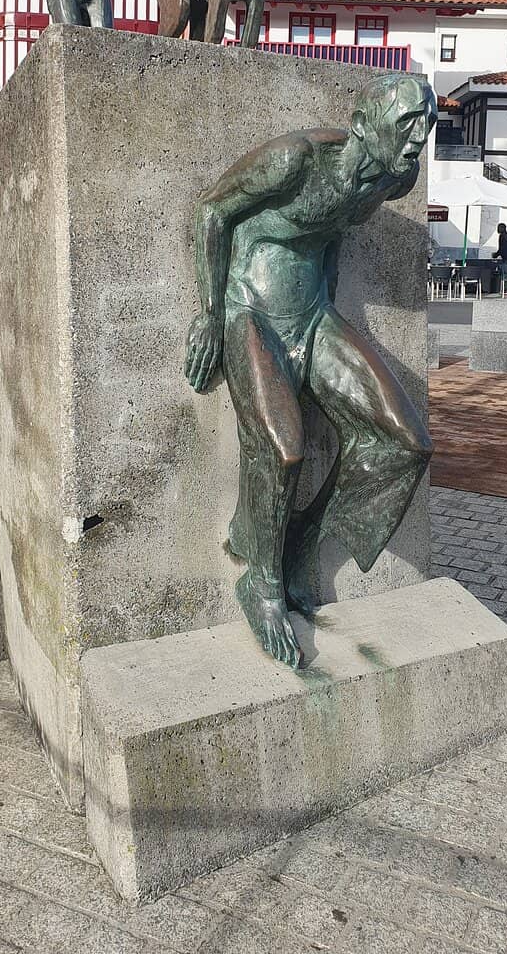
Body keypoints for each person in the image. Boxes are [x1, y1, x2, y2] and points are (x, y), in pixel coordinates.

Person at [184, 75, 437, 669]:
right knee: (285, 448)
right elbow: (212, 210)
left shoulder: (395, 178)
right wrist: (209, 314)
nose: (418, 139)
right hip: (251, 309)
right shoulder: (297, 160)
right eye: (406, 124)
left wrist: (323, 301)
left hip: (313, 316)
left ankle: (297, 541)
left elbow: (336, 231)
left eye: (426, 123)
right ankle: (262, 582)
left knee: (406, 441)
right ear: (363, 121)